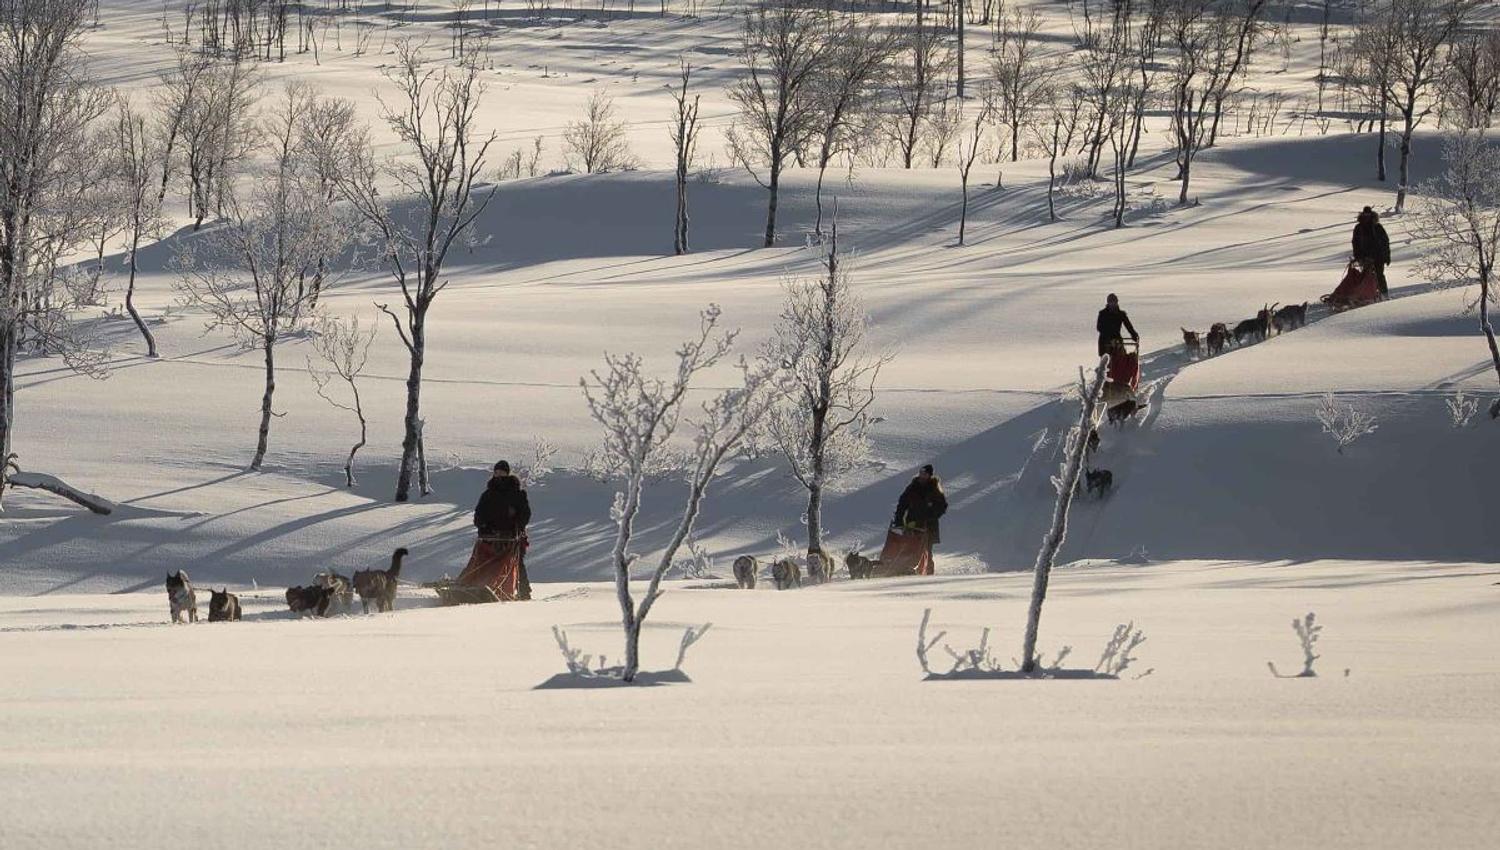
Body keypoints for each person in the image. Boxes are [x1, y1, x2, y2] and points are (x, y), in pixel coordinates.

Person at [473, 460, 533, 600]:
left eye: (501, 472)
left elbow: (525, 513)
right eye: (496, 472)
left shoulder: (517, 493)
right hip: (491, 536)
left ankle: (523, 591)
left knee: (516, 563)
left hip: (512, 536)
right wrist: (481, 525)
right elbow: (479, 513)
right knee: (483, 561)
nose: (499, 475)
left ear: (507, 473)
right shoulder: (488, 494)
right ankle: (478, 585)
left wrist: (518, 527)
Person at [892, 464, 948, 570]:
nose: (922, 476)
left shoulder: (934, 488)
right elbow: (902, 503)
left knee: (926, 551)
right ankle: (905, 568)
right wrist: (899, 519)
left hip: (928, 526)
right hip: (912, 524)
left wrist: (932, 514)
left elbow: (942, 506)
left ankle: (927, 572)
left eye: (925, 474)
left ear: (929, 475)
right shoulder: (913, 487)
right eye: (921, 473)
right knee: (908, 548)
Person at [1352, 206, 1391, 297]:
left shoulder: (1377, 227)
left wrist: (1387, 256)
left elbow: (1385, 242)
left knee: (1379, 275)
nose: (1366, 216)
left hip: (1378, 256)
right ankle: (1369, 295)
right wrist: (1357, 256)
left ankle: (1384, 294)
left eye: (1368, 214)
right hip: (1364, 257)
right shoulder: (1359, 228)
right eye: (1365, 214)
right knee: (1366, 276)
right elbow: (1355, 243)